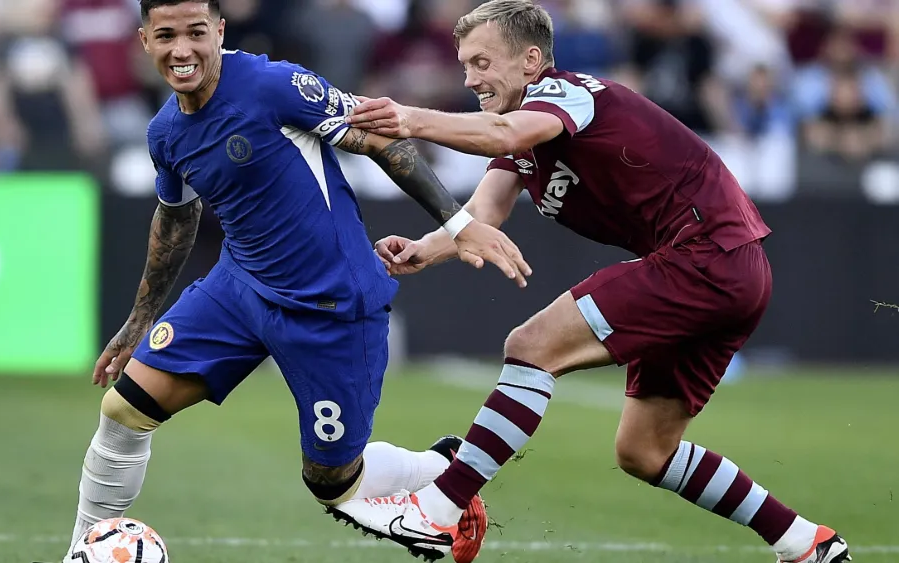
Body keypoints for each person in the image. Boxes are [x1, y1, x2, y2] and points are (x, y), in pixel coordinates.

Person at [331, 2, 851, 563]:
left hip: (705, 255)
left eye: (482, 62)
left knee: (532, 346)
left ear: (531, 60)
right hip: (727, 269)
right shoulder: (523, 138)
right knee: (645, 451)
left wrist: (408, 119)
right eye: (464, 66)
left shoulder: (568, 93)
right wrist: (422, 250)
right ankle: (806, 543)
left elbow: (501, 133)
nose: (470, 79)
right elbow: (482, 213)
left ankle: (437, 510)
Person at [55, 1, 533, 562]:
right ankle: (80, 553)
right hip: (238, 290)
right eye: (165, 36)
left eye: (195, 33)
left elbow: (378, 138)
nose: (181, 50)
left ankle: (440, 469)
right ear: (144, 40)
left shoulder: (274, 85)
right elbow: (177, 216)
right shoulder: (166, 132)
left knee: (333, 483)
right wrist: (141, 318)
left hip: (332, 308)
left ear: (219, 31)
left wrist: (458, 225)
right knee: (123, 412)